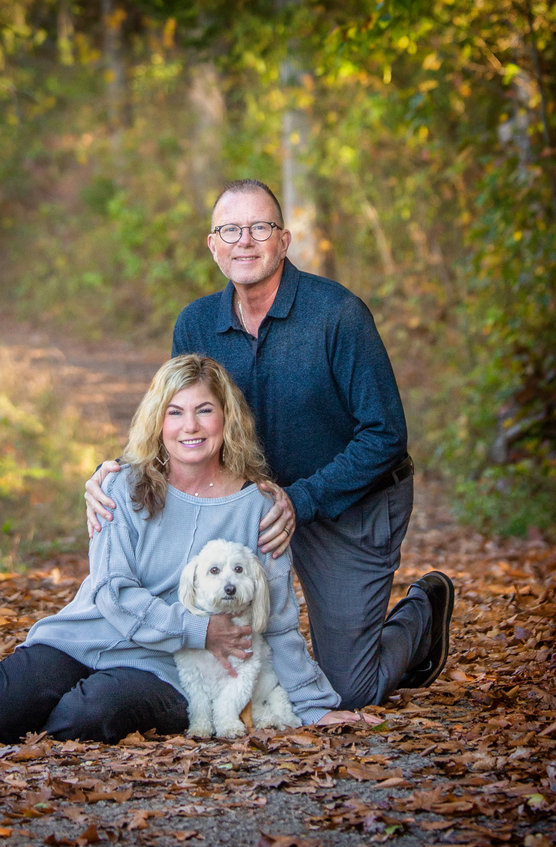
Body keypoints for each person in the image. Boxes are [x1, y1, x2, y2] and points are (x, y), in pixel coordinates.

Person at [85, 179, 454, 711]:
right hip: (250, 508)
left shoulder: (337, 315)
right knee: (227, 646)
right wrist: (116, 470)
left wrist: (299, 500)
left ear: (283, 240)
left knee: (346, 691)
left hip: (351, 499)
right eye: (230, 230)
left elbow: (386, 434)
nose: (245, 241)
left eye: (259, 227)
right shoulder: (196, 322)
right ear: (213, 245)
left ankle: (421, 611)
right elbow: (178, 423)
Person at [0, 354, 369, 745]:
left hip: (166, 667)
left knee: (83, 717)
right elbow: (112, 591)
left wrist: (313, 706)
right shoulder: (120, 486)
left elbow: (276, 619)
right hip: (88, 636)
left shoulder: (258, 506)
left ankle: (37, 713)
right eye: (175, 412)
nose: (190, 427)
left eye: (204, 411)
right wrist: (201, 628)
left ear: (227, 419)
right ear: (158, 421)